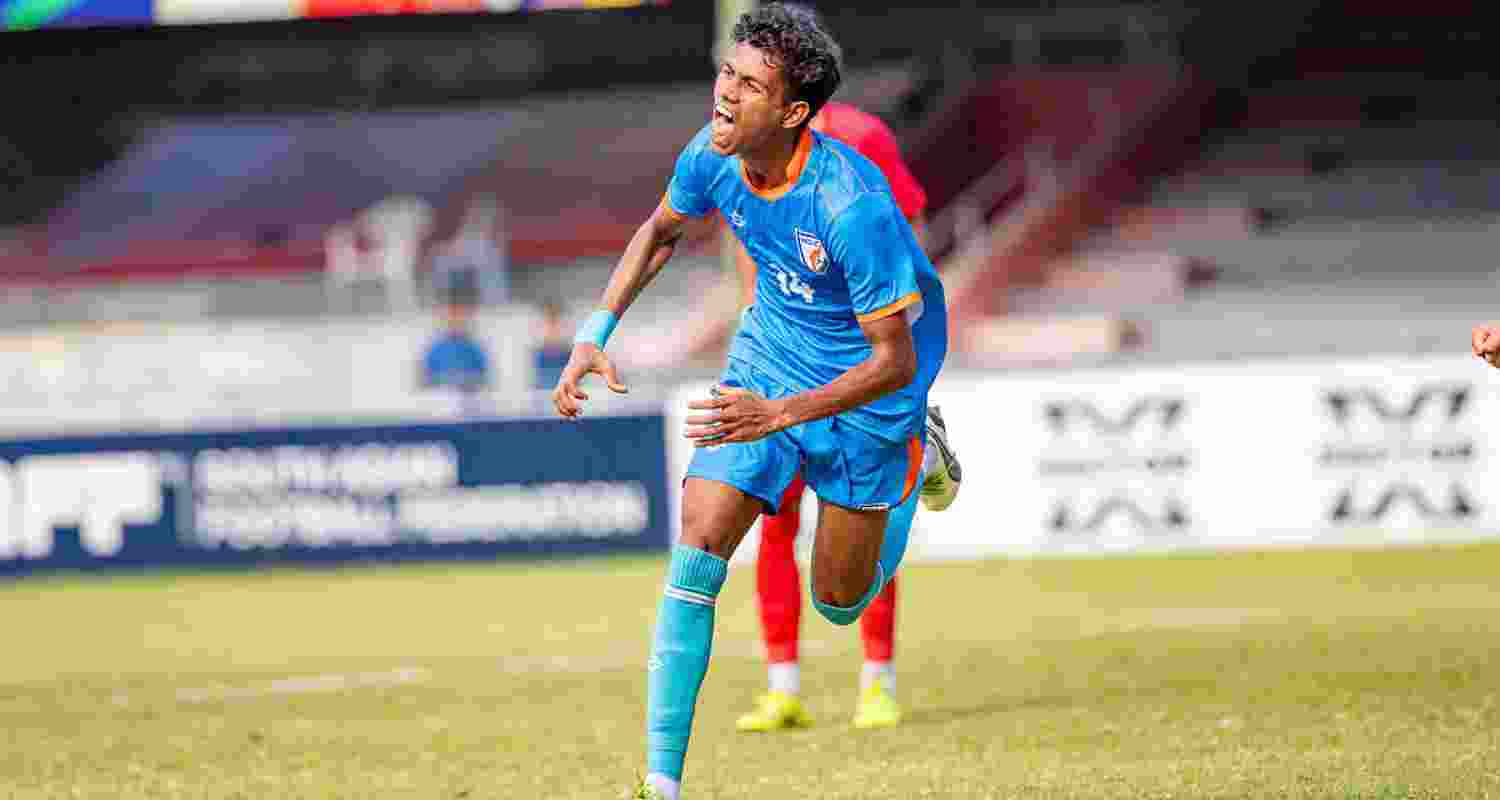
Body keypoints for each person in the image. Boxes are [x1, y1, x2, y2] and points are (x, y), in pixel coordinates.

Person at [550, 7, 952, 798]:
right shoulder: (714, 152)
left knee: (837, 602)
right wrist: (598, 330)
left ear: (794, 112)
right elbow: (662, 230)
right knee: (699, 543)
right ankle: (660, 784)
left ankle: (922, 457)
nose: (725, 94)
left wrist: (782, 416)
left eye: (749, 84)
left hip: (871, 385)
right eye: (727, 73)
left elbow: (892, 357)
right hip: (769, 355)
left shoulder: (850, 206)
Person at [729, 70, 955, 732]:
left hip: (857, 360)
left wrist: (900, 331)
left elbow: (906, 223)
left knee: (863, 516)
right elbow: (748, 240)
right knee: (773, 515)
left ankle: (877, 682)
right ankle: (782, 687)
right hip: (778, 359)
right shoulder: (746, 143)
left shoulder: (862, 138)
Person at [419, 265, 491, 418]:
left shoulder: (476, 351)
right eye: (452, 312)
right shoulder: (434, 352)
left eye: (460, 313)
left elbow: (484, 389)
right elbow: (425, 390)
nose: (456, 318)